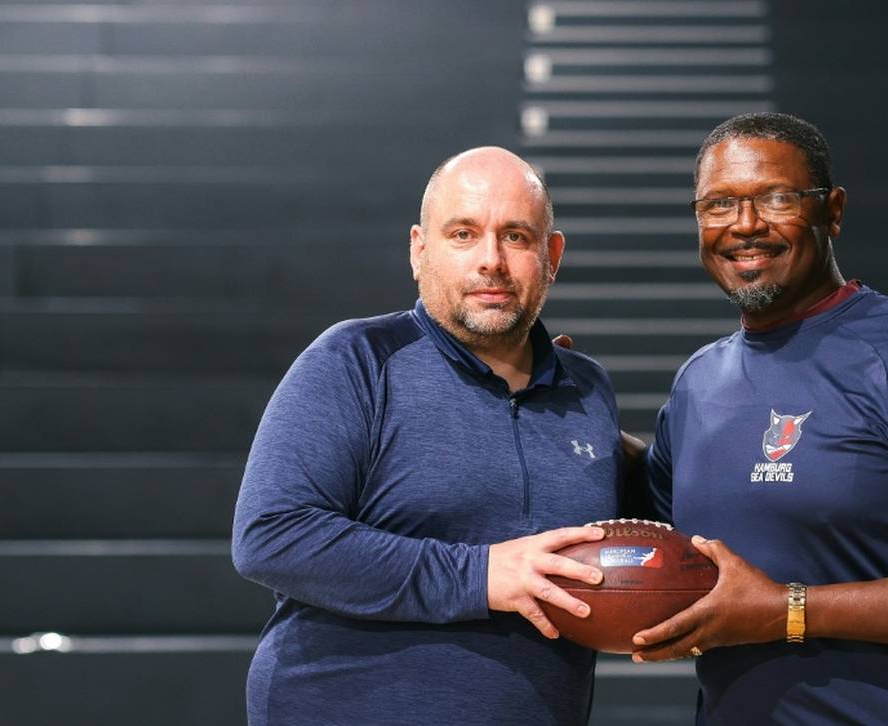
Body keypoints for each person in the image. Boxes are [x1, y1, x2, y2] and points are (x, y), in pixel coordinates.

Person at [631, 113, 888, 724]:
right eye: (719, 204)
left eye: (776, 198)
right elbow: (653, 527)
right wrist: (561, 404)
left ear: (834, 211)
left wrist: (787, 612)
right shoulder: (699, 382)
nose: (745, 225)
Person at [231, 147, 623, 726]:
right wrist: (480, 575)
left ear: (552, 255)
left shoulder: (586, 389)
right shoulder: (356, 359)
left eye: (515, 236)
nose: (491, 260)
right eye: (463, 233)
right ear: (419, 250)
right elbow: (271, 534)